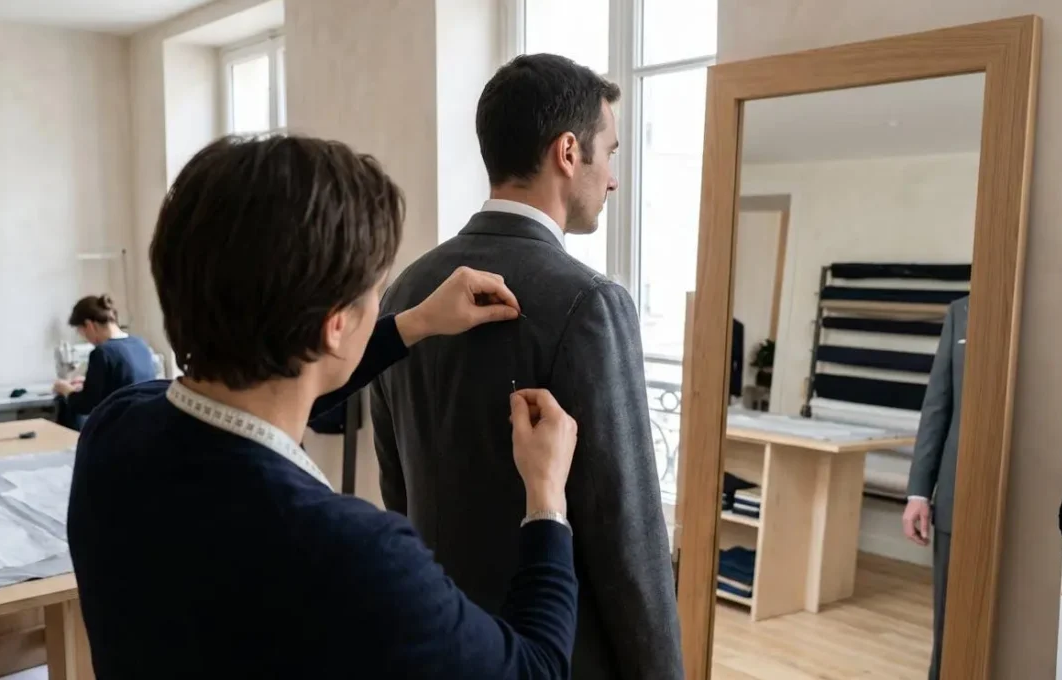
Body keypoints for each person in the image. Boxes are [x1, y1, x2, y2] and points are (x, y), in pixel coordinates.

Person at [68, 134, 585, 679]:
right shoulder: (353, 554)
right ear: (335, 325)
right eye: (376, 292)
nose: (379, 303)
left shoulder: (113, 430)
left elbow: (268, 388)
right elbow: (537, 671)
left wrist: (414, 323)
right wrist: (546, 498)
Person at [367, 53, 684, 679]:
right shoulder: (591, 303)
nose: (613, 178)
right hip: (559, 651)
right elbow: (629, 538)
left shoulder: (408, 292)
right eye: (610, 152)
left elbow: (397, 490)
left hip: (446, 641)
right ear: (569, 152)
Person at [902, 294, 969, 680]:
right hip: (954, 494)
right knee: (947, 617)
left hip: (1022, 495)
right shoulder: (960, 312)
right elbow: (938, 405)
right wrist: (918, 493)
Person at [52, 294, 158, 430]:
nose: (86, 338)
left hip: (118, 429)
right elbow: (125, 382)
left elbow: (86, 405)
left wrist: (66, 389)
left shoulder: (102, 352)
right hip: (144, 425)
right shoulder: (140, 344)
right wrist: (88, 381)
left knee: (65, 407)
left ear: (89, 325)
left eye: (82, 332)